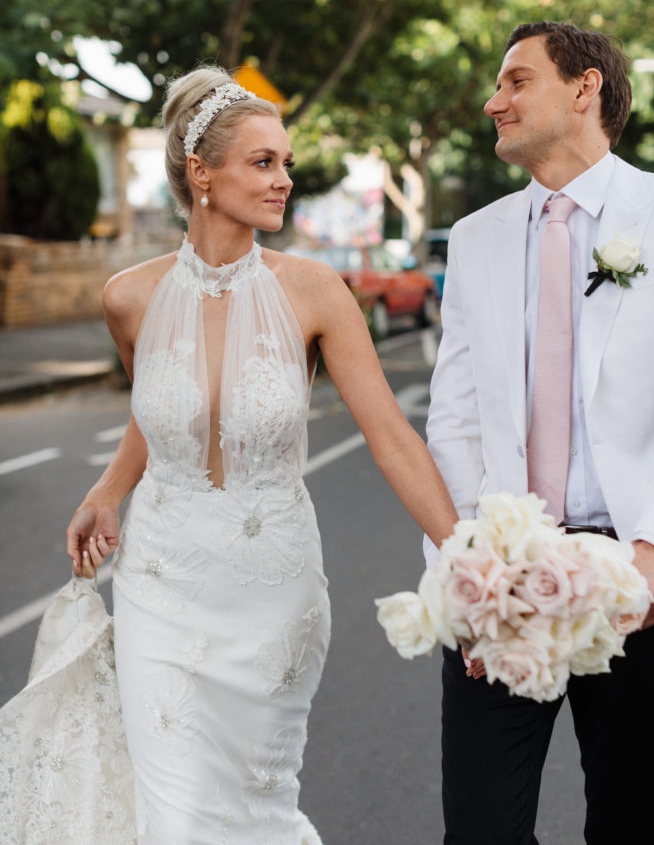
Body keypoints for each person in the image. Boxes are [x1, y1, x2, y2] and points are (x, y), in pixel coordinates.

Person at [65, 65, 459, 844]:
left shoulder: (315, 291)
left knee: (253, 813)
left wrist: (467, 559)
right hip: (159, 583)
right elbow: (166, 409)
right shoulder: (128, 297)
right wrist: (109, 489)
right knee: (175, 823)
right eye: (263, 162)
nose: (284, 179)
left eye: (284, 162)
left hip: (272, 588)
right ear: (199, 173)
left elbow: (391, 439)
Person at [425, 21, 654, 845]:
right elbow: (456, 419)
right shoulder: (473, 240)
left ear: (585, 89)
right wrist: (469, 567)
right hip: (503, 586)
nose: (492, 101)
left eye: (514, 80)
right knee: (481, 829)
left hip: (641, 587)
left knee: (636, 826)